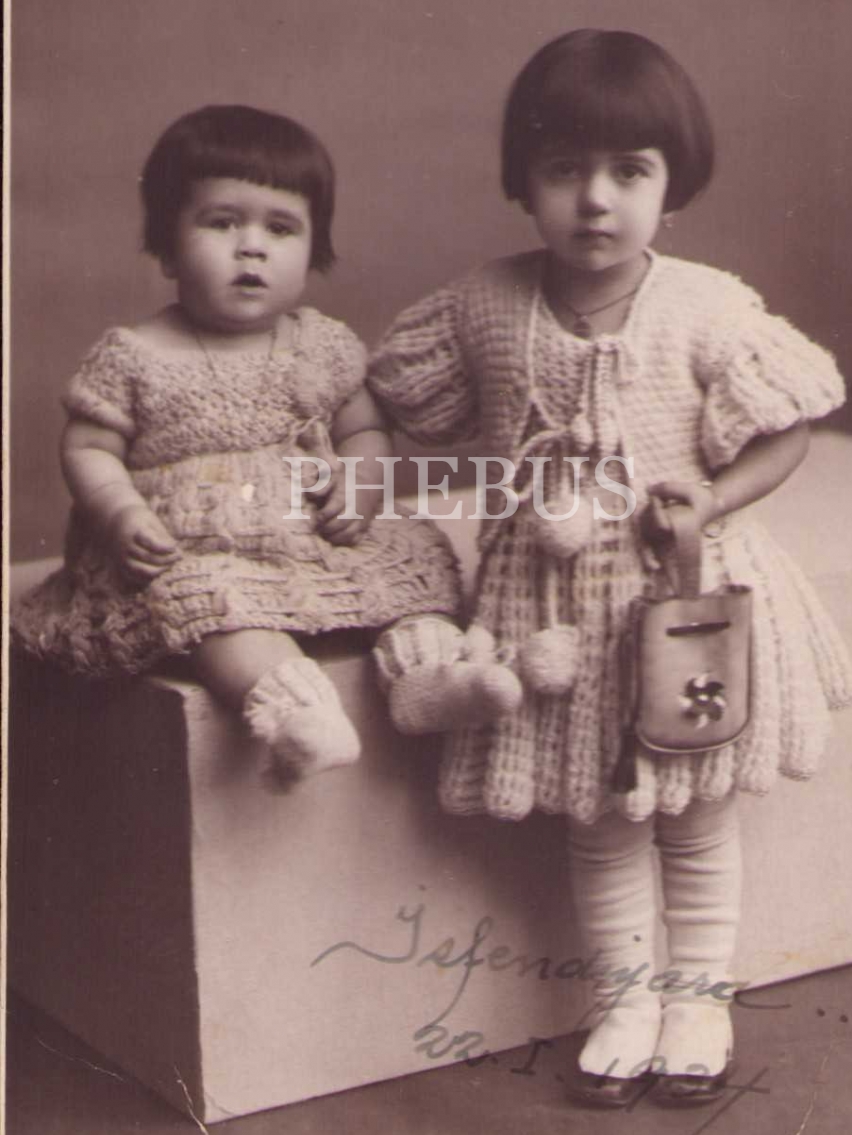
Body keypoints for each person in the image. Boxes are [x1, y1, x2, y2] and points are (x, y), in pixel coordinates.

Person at [368, 30, 852, 1107]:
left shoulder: (705, 305)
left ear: (671, 183)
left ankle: (699, 997)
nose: (595, 200)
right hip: (549, 617)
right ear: (522, 181)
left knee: (696, 813)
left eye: (628, 172)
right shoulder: (481, 306)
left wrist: (713, 498)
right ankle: (623, 1001)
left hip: (681, 603)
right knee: (597, 821)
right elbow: (399, 408)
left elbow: (789, 425)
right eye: (564, 170)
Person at [12, 103, 497, 790]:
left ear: (314, 249)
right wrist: (119, 512)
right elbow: (89, 449)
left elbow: (363, 429)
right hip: (190, 549)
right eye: (221, 223)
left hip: (311, 536)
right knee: (212, 607)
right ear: (167, 245)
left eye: (280, 228)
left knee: (411, 567)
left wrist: (361, 483)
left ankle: (426, 675)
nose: (252, 248)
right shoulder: (135, 356)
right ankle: (297, 713)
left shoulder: (321, 345)